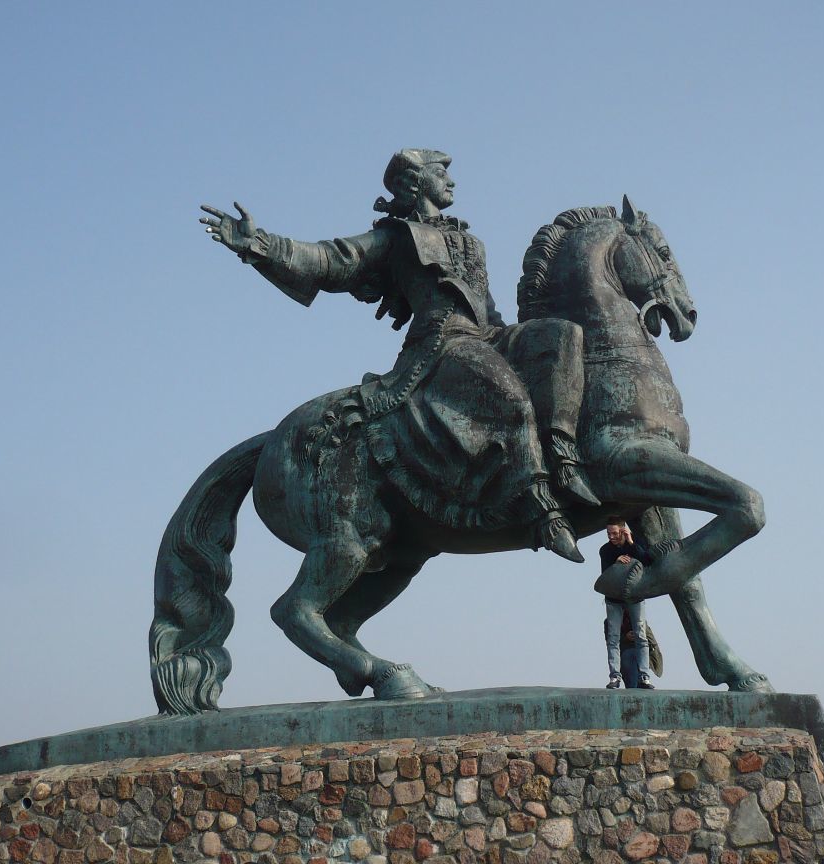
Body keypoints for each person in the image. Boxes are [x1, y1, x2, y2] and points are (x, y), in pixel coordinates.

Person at [200, 149, 597, 562]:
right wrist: (258, 243)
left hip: (488, 335)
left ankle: (564, 455)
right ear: (415, 182)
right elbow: (330, 259)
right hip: (443, 343)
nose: (451, 181)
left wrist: (520, 340)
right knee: (510, 396)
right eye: (440, 173)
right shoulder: (396, 236)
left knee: (564, 334)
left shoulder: (470, 241)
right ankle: (540, 506)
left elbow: (485, 306)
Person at [600, 517, 655, 689]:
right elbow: (604, 577)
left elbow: (648, 561)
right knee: (613, 638)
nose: (611, 537)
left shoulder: (635, 543)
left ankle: (644, 677)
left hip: (635, 597)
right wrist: (616, 563)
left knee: (641, 636)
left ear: (623, 531)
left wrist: (631, 543)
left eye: (615, 533)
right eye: (608, 534)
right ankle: (614, 677)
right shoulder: (605, 550)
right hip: (614, 600)